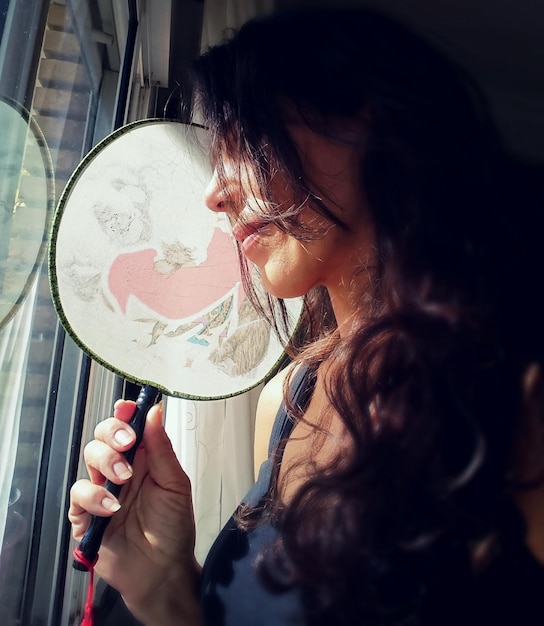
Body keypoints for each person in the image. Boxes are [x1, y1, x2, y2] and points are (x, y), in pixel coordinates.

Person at [69, 7, 544, 625]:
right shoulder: (287, 401)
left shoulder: (521, 410)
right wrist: (162, 582)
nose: (216, 191)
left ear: (365, 123)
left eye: (245, 135)